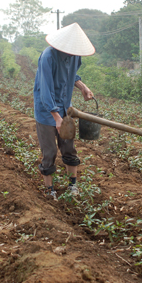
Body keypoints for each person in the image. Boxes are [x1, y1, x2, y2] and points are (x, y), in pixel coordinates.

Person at [33, 23, 95, 200]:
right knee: (50, 150)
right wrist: (56, 117)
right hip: (46, 110)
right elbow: (45, 88)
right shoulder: (48, 56)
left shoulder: (75, 57)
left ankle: (72, 185)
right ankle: (49, 189)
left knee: (69, 147)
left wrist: (82, 86)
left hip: (64, 106)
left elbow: (71, 74)